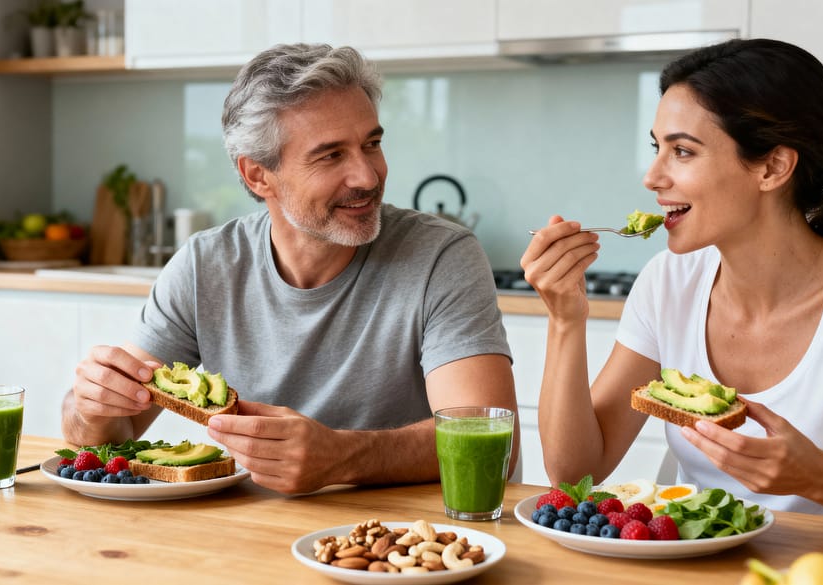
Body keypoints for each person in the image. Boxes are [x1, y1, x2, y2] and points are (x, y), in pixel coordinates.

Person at [62, 43, 519, 495]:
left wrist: (344, 456)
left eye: (371, 144)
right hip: (248, 534)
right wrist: (92, 408)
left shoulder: (441, 255)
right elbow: (109, 437)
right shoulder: (205, 266)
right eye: (331, 155)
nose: (367, 176)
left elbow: (492, 442)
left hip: (400, 549)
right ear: (258, 175)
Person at [523, 38, 823, 528]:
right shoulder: (668, 282)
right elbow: (576, 474)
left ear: (773, 166)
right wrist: (565, 319)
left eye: (682, 151)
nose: (652, 177)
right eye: (657, 149)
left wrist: (816, 476)